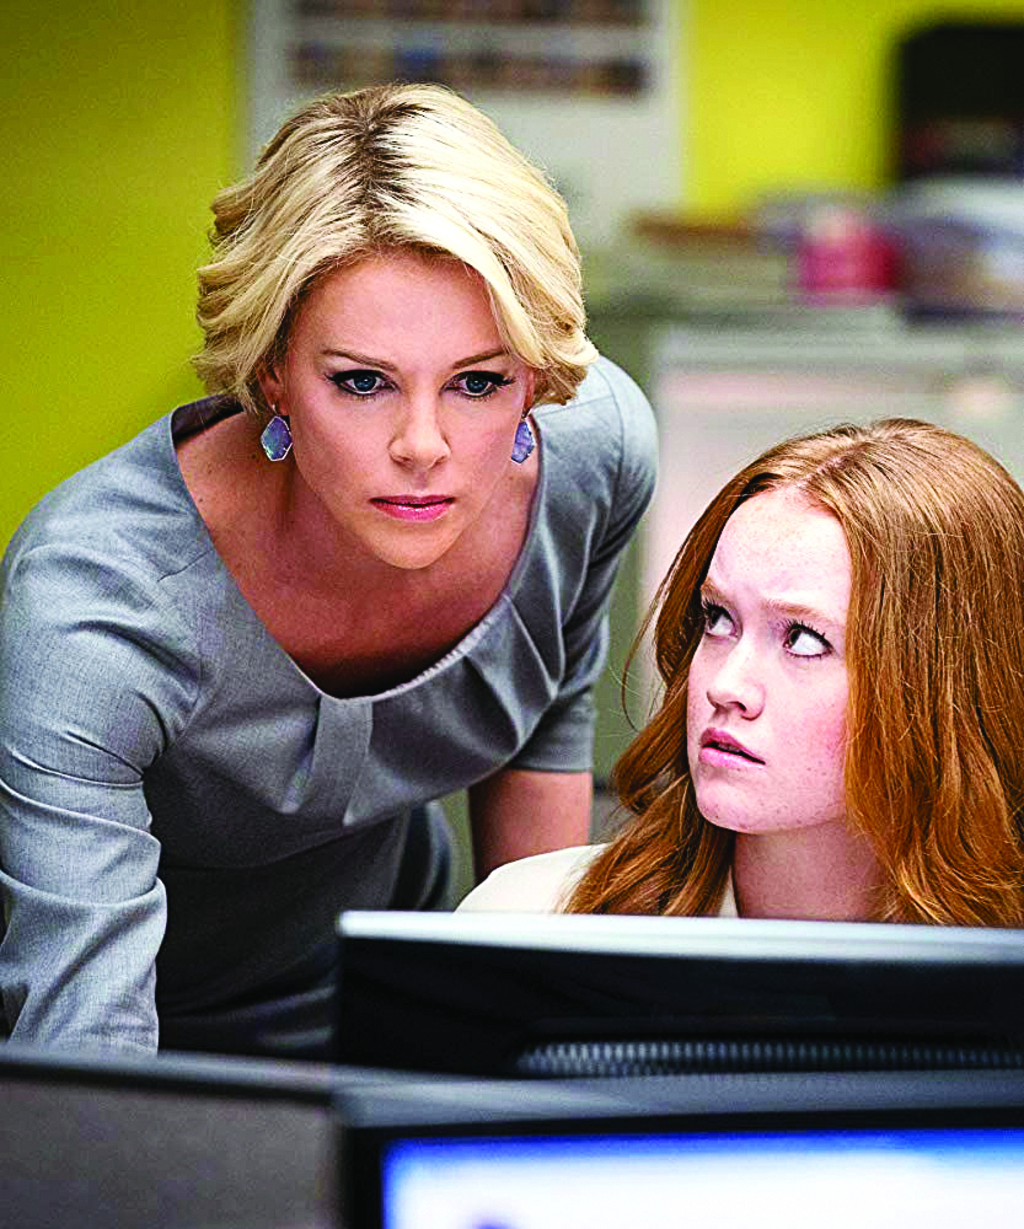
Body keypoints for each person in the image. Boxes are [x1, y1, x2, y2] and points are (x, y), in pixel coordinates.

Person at [0, 83, 657, 1056]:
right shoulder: (92, 610)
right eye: (361, 381)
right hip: (127, 1028)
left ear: (533, 374)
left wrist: (533, 1059)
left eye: (479, 381)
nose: (423, 445)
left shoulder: (591, 456)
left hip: (391, 986)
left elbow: (542, 734)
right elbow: (86, 1050)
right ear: (271, 370)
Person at [460, 418, 1024, 927]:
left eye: (804, 640)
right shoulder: (530, 920)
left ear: (944, 686)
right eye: (718, 618)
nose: (724, 686)